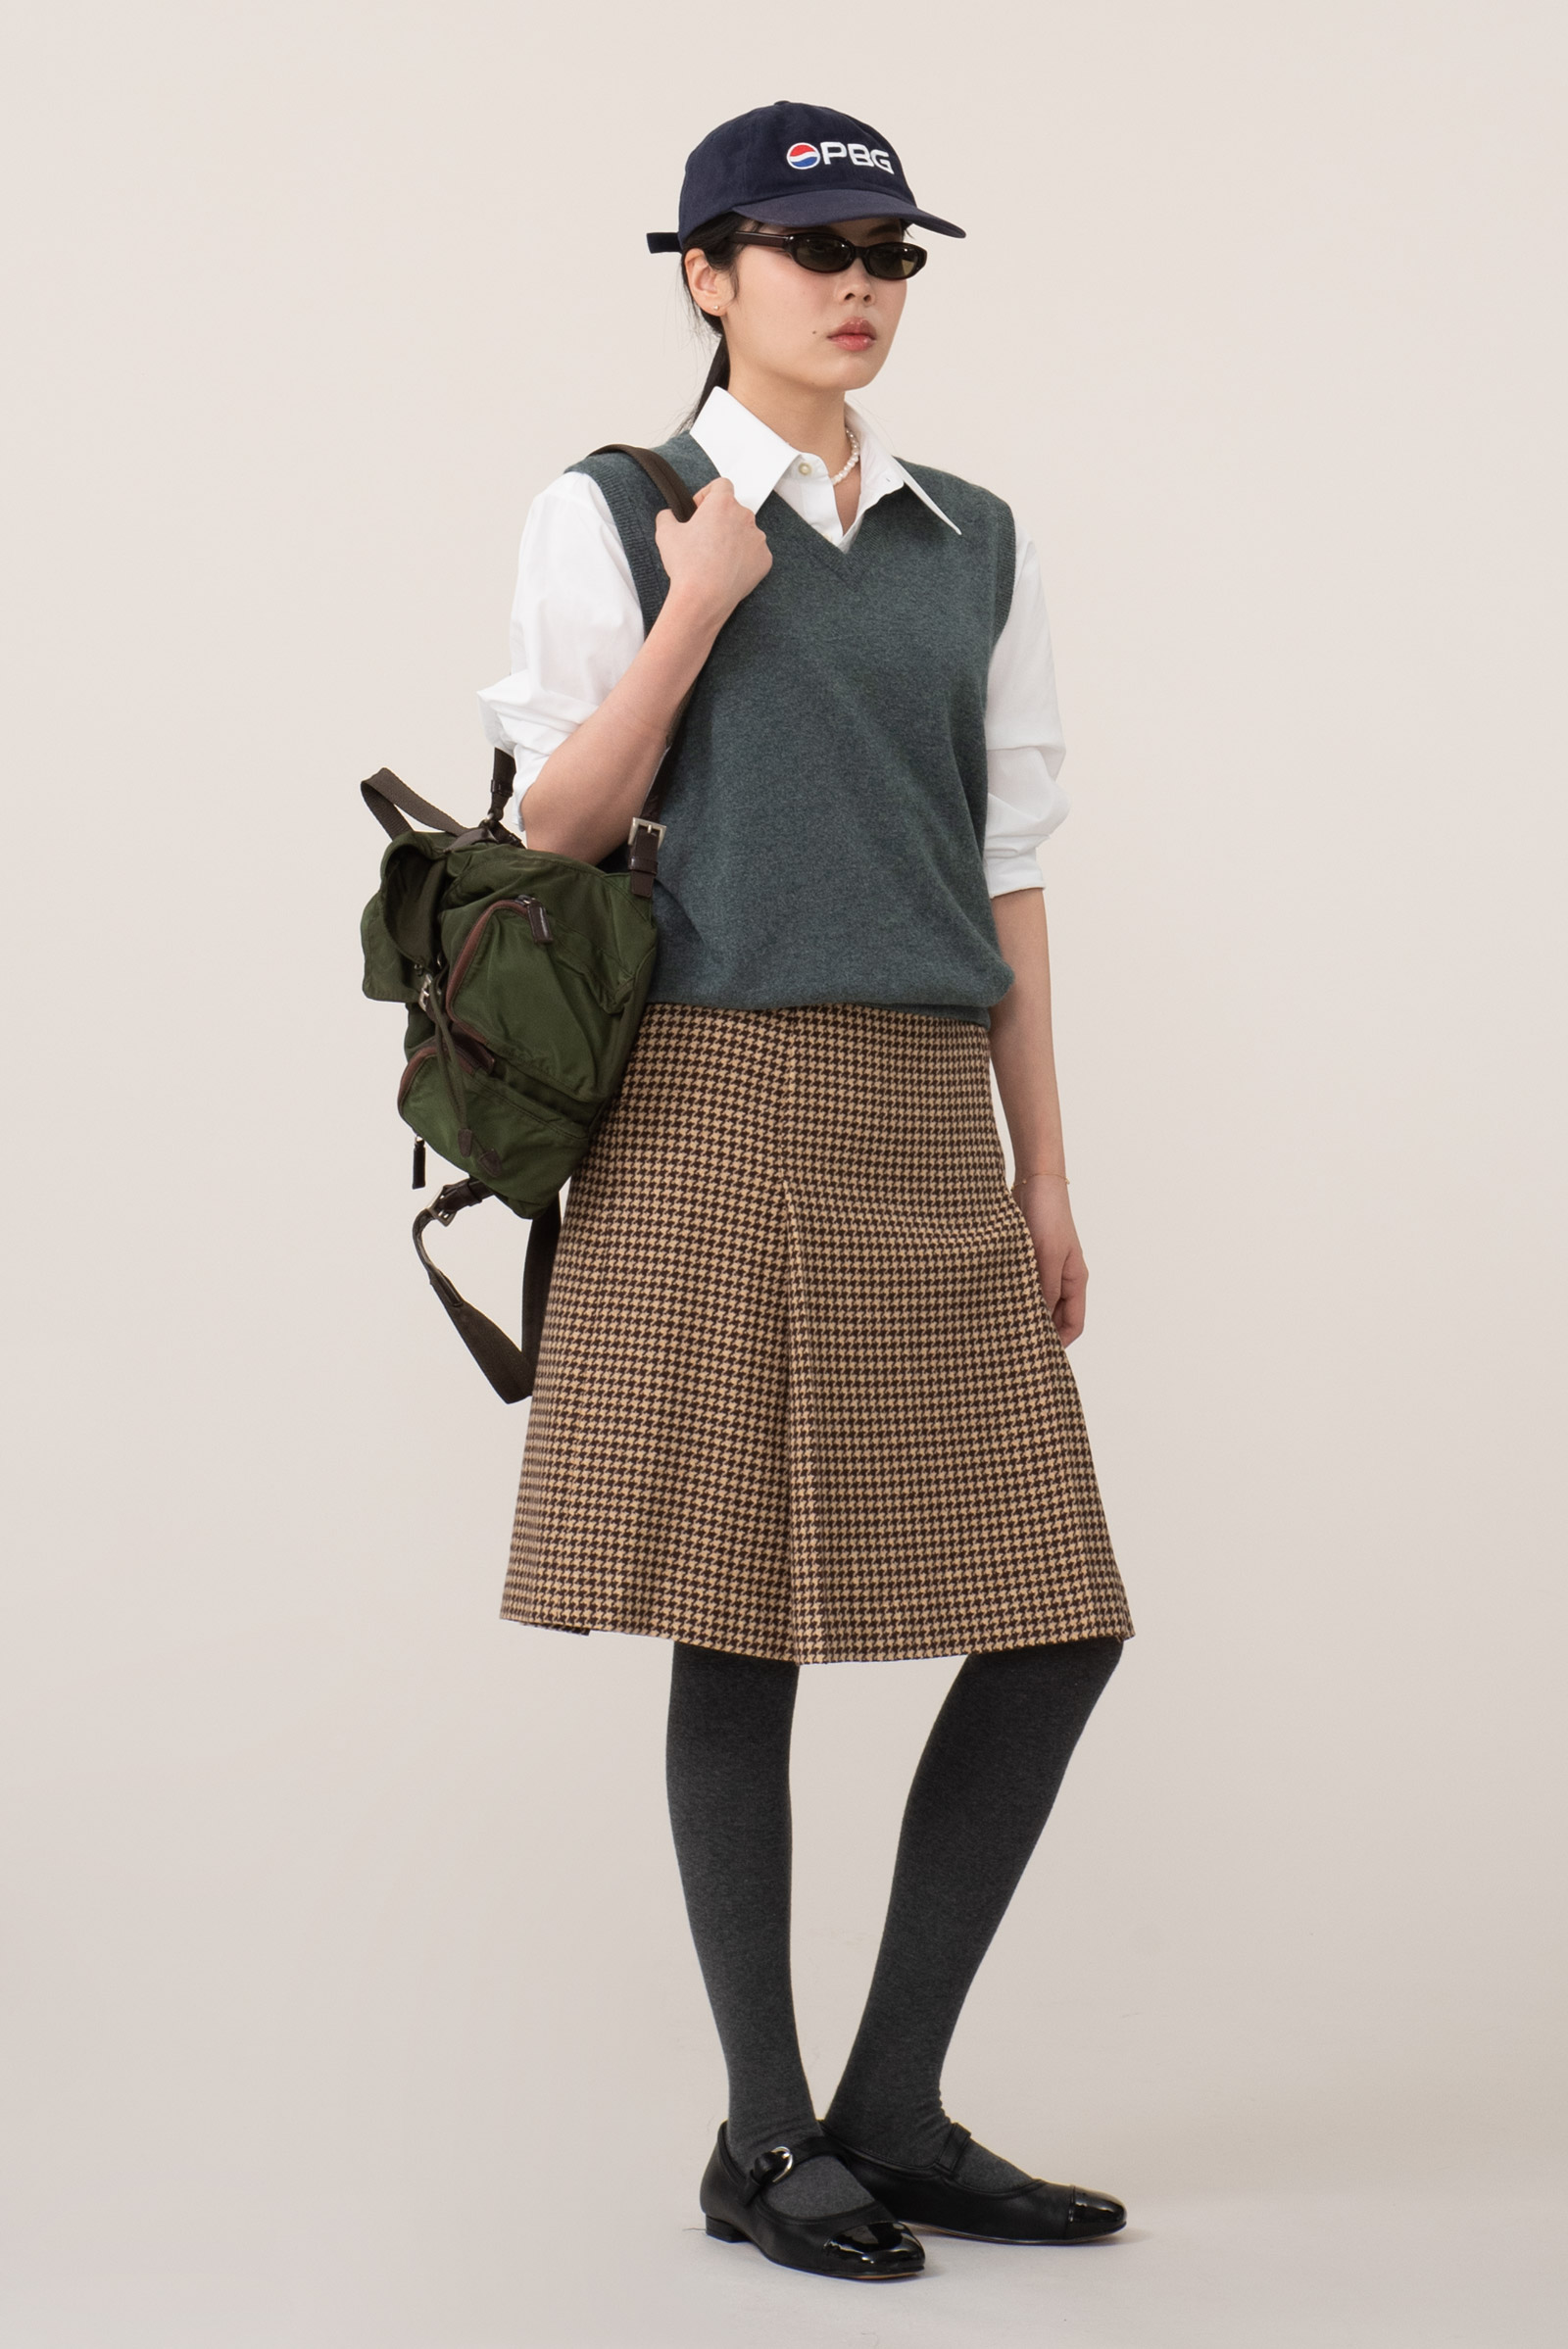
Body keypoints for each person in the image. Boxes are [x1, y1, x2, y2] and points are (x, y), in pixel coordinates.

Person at [477, 100, 1135, 2284]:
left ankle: (892, 2109)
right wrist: (694, 609)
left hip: (924, 1109)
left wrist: (1046, 1166)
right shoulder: (615, 509)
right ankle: (764, 2136)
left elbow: (1006, 866)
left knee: (1055, 1613)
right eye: (808, 248)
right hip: (710, 1100)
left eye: (888, 255)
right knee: (741, 1613)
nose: (857, 286)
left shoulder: (972, 540)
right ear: (705, 273)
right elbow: (555, 829)